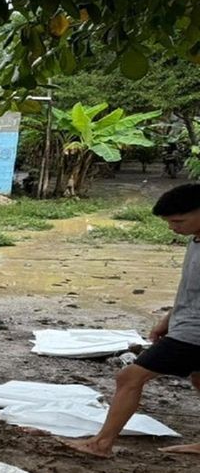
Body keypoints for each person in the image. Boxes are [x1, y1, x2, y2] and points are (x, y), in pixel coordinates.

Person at [64, 185, 200, 458]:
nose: (172, 228)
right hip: (186, 325)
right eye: (169, 222)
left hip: (194, 334)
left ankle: (101, 444)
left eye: (178, 221)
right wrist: (167, 320)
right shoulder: (195, 240)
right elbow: (191, 290)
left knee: (129, 377)